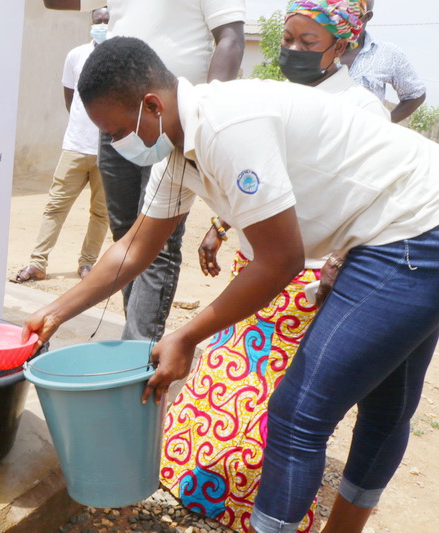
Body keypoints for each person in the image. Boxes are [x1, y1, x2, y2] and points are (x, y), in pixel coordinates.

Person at [23, 36, 439, 533]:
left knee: (298, 413)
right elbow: (135, 247)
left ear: (151, 105)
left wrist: (186, 335)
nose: (115, 144)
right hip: (403, 225)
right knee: (387, 407)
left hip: (413, 230)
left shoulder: (227, 126)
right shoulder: (176, 152)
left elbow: (279, 261)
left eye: (116, 130)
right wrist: (54, 314)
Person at [162, 1, 389, 531]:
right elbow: (253, 181)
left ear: (344, 46)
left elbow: (375, 200)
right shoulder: (266, 97)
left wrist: (342, 262)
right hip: (256, 268)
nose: (292, 51)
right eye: (288, 39)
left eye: (309, 43)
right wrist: (221, 228)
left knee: (274, 409)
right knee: (215, 387)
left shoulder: (361, 109)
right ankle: (208, 498)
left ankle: (263, 514)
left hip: (308, 279)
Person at [43, 0, 246, 341]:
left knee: (157, 242)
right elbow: (57, 2)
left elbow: (231, 38)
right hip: (122, 116)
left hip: (168, 121)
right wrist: (53, 313)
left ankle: (137, 350)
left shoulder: (198, 140)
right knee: (128, 236)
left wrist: (209, 116)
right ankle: (135, 343)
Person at [14, 8, 110, 283]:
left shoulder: (122, 57)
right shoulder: (76, 55)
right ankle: (38, 262)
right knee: (55, 206)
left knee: (100, 213)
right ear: (90, 23)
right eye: (97, 21)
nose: (101, 25)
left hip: (110, 151)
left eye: (106, 21)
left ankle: (87, 264)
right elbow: (71, 98)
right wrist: (85, 126)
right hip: (76, 146)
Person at [341, 0, 426, 123]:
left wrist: (383, 124)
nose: (341, 18)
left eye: (351, 13)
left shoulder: (388, 53)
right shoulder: (317, 44)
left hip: (361, 140)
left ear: (367, 17)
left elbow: (416, 94)